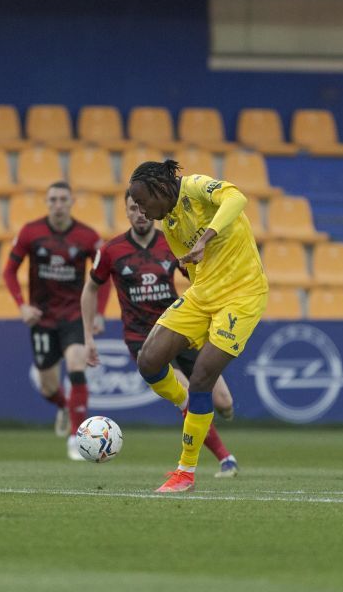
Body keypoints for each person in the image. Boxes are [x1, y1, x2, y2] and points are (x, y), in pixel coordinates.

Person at [126, 160, 267, 493]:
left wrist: (206, 237)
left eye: (144, 202)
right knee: (149, 361)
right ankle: (187, 405)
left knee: (202, 377)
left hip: (242, 296)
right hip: (202, 296)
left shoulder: (194, 187)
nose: (143, 212)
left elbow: (237, 199)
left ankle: (185, 473)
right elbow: (192, 270)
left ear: (161, 187)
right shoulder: (170, 225)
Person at [81, 191, 240, 477]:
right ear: (126, 211)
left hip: (180, 327)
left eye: (143, 208)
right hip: (143, 337)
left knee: (224, 401)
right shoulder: (112, 250)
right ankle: (225, 458)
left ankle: (222, 421)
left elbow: (196, 277)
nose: (139, 213)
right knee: (187, 396)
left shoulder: (172, 241)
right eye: (133, 208)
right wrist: (88, 336)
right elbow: (91, 288)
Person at [2, 181, 109, 460]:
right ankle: (64, 406)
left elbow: (104, 276)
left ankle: (77, 438)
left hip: (74, 315)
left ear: (72, 202)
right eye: (53, 200)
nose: (58, 204)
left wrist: (98, 312)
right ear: (47, 203)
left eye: (63, 199)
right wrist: (22, 306)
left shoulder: (87, 236)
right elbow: (9, 272)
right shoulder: (31, 232)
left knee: (76, 364)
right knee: (48, 386)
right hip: (42, 318)